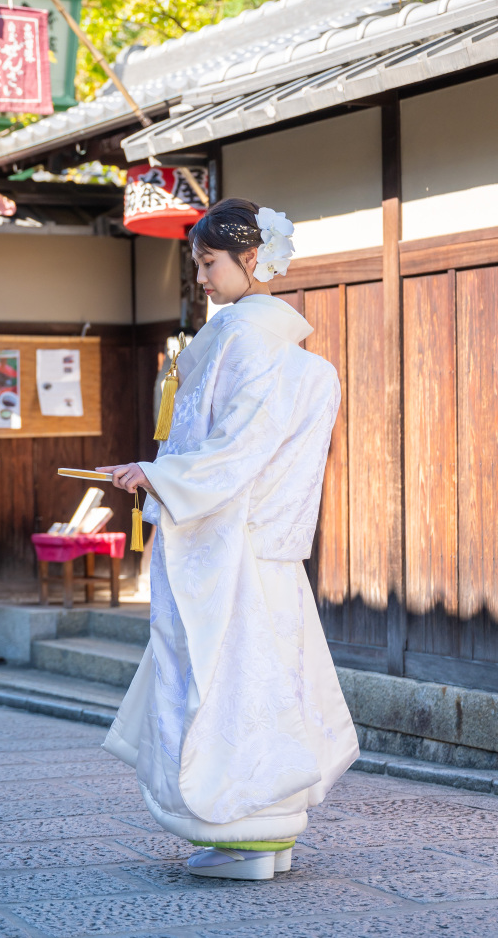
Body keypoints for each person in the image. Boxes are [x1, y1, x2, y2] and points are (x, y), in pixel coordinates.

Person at [97, 197, 359, 881]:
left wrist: (157, 476)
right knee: (267, 678)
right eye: (196, 264)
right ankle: (269, 835)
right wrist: (164, 475)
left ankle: (237, 832)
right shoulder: (296, 354)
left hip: (221, 546)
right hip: (266, 549)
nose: (201, 278)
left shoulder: (239, 337)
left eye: (209, 262)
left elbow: (235, 446)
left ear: (250, 260)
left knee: (218, 678)